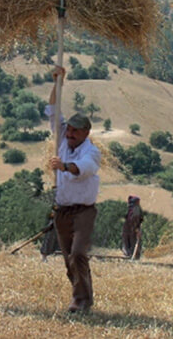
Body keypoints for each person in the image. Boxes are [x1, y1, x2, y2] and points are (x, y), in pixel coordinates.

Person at [46, 66, 101, 313]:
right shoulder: (62, 140)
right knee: (70, 259)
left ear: (86, 133)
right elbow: (52, 110)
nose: (69, 134)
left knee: (78, 253)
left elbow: (85, 168)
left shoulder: (92, 151)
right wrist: (58, 83)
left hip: (83, 212)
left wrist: (65, 166)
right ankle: (81, 297)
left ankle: (81, 300)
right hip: (62, 211)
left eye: (74, 131)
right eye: (68, 129)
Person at [121, 195, 144, 259]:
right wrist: (137, 228)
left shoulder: (130, 208)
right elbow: (136, 219)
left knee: (128, 242)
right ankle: (131, 256)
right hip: (131, 228)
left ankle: (129, 255)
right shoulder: (135, 208)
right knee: (131, 241)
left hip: (130, 228)